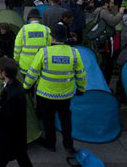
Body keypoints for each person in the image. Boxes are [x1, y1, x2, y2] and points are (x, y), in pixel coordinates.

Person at [24, 24, 86, 154]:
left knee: (48, 121)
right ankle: (68, 145)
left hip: (45, 94)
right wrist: (81, 89)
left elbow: (33, 72)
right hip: (65, 95)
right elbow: (80, 73)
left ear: (52, 38)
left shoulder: (44, 52)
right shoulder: (74, 53)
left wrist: (26, 86)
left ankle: (50, 143)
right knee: (65, 121)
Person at [14, 8, 51, 77]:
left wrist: (16, 59)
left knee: (26, 86)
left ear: (29, 18)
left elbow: (17, 46)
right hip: (41, 64)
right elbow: (49, 47)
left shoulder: (24, 29)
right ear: (39, 19)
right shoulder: (46, 29)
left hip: (26, 65)